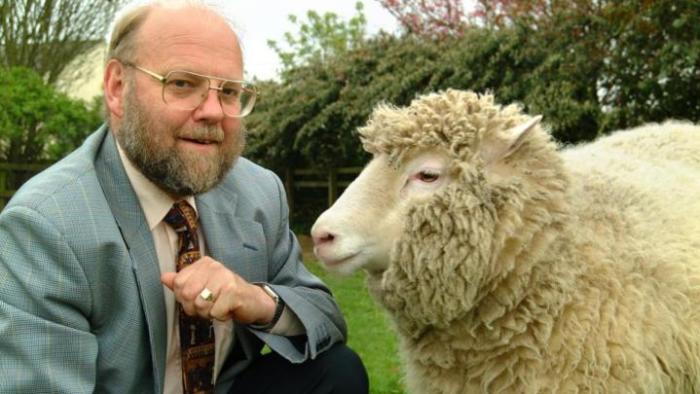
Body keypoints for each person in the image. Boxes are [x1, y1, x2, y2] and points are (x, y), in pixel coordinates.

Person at [0, 1, 368, 393]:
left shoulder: (259, 192)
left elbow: (326, 321)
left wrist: (255, 299)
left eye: (228, 91)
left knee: (337, 370)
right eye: (182, 83)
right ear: (117, 88)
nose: (212, 111)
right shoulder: (46, 224)